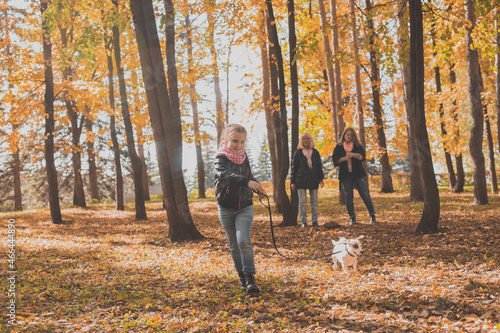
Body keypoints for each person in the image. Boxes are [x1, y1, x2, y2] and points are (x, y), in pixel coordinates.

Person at [214, 124, 267, 294]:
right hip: (226, 207)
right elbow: (225, 175)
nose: (239, 145)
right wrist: (247, 182)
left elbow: (249, 177)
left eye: (242, 142)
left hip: (245, 205)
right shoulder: (220, 158)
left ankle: (250, 277)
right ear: (226, 140)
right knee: (233, 245)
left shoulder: (244, 157)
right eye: (235, 141)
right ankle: (241, 277)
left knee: (243, 240)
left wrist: (257, 186)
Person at [332, 127, 376, 225]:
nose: (349, 137)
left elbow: (362, 157)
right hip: (345, 175)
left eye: (351, 135)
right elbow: (335, 160)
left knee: (364, 194)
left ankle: (372, 215)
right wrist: (344, 158)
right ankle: (352, 218)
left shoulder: (357, 145)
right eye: (347, 134)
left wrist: (352, 155)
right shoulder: (339, 146)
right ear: (344, 135)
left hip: (358, 174)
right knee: (348, 197)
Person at [290, 133, 324, 228]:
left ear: (310, 140)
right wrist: (292, 182)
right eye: (304, 139)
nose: (306, 140)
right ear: (301, 140)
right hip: (300, 180)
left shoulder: (315, 152)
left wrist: (321, 178)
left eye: (307, 139)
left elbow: (319, 166)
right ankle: (303, 222)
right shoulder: (298, 153)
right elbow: (293, 168)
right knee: (302, 202)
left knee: (315, 202)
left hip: (313, 179)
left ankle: (314, 221)